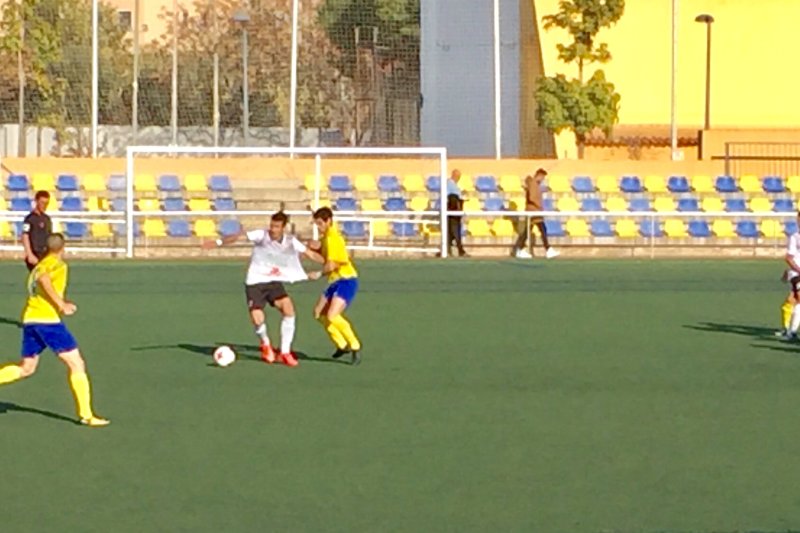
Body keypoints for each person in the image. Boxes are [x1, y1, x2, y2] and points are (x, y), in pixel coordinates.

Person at [0, 233, 109, 427]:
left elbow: (39, 277)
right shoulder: (57, 264)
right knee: (77, 364)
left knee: (27, 368)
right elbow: (44, 280)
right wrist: (61, 304)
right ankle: (87, 415)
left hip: (31, 319)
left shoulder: (37, 266)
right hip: (47, 322)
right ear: (62, 248)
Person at [205, 212, 324, 367]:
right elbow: (239, 238)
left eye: (276, 226)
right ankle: (266, 344)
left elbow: (309, 254)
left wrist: (329, 261)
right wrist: (218, 242)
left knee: (288, 309)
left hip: (273, 281)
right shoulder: (261, 235)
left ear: (284, 227)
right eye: (272, 225)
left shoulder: (290, 241)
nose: (273, 229)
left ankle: (285, 352)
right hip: (255, 281)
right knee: (257, 317)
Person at [310, 207, 362, 365]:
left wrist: (318, 274)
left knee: (332, 315)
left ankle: (355, 345)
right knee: (318, 314)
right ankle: (341, 345)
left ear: (328, 221)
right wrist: (315, 248)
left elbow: (331, 265)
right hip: (335, 281)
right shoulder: (326, 237)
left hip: (346, 280)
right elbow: (326, 256)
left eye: (320, 224)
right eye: (316, 224)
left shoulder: (333, 238)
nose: (318, 227)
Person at [513, 168, 560, 259]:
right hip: (534, 212)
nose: (543, 180)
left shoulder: (534, 185)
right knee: (541, 230)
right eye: (542, 177)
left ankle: (520, 249)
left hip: (534, 211)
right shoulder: (533, 184)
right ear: (539, 175)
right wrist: (538, 206)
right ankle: (548, 250)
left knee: (530, 231)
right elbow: (532, 197)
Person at [777, 212, 800, 339]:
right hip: (797, 274)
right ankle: (791, 332)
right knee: (797, 301)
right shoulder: (795, 237)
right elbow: (789, 258)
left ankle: (789, 330)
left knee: (792, 301)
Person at [22, 190, 53, 271]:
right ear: (36, 201)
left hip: (46, 255)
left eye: (46, 203)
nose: (44, 206)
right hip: (35, 254)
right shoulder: (29, 219)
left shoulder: (47, 219)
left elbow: (50, 237)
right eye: (42, 203)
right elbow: (25, 236)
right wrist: (29, 254)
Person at [445, 169, 467, 257]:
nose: (458, 178)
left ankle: (447, 250)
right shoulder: (449, 184)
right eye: (458, 176)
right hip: (452, 211)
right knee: (455, 231)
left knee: (451, 232)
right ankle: (460, 250)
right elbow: (452, 197)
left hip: (455, 211)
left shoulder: (454, 185)